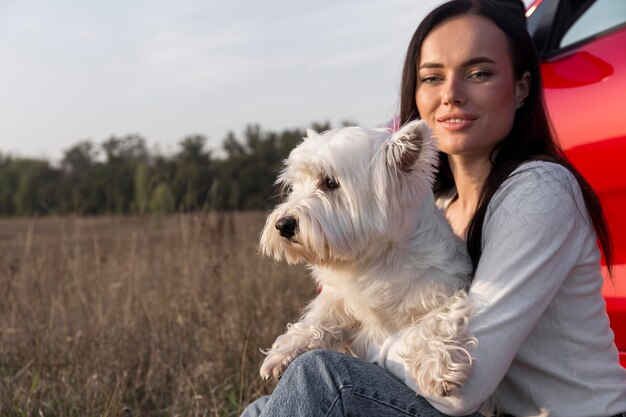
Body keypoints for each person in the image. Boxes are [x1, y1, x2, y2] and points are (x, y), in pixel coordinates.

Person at [241, 0, 626, 416]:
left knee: (322, 379)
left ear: (521, 87)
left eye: (479, 73)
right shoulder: (437, 204)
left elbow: (459, 387)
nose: (451, 95)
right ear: (416, 90)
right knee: (270, 406)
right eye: (432, 77)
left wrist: (359, 339)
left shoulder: (540, 191)